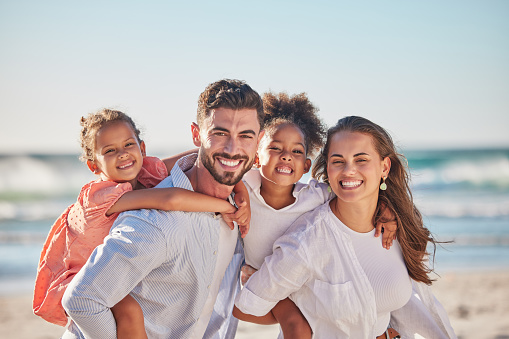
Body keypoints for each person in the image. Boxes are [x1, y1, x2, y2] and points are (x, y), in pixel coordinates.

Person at [61, 79, 264, 339]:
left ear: (258, 142)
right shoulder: (154, 223)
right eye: (220, 133)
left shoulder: (239, 202)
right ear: (196, 134)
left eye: (246, 135)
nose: (233, 148)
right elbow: (82, 300)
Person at [234, 116, 456, 338]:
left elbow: (407, 304)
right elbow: (245, 307)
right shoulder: (305, 243)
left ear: (384, 167)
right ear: (328, 169)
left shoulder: (398, 227)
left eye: (361, 160)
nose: (349, 170)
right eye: (338, 161)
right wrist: (299, 317)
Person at [230, 93, 397, 338]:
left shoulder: (315, 195)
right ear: (256, 157)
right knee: (298, 329)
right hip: (263, 279)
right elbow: (214, 164)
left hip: (306, 284)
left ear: (307, 167)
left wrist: (386, 209)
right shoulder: (244, 187)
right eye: (275, 148)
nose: (286, 155)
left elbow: (354, 193)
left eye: (297, 151)